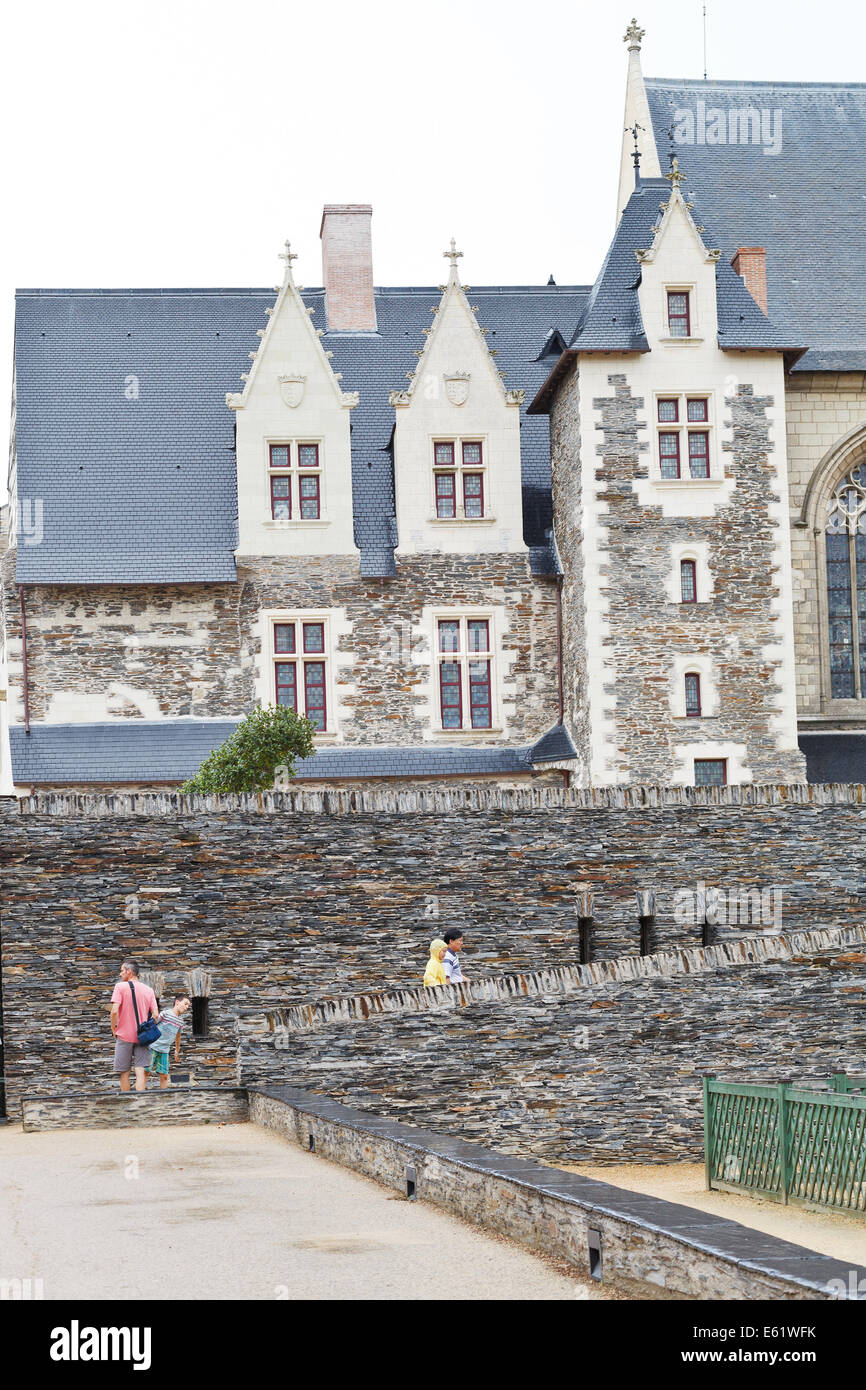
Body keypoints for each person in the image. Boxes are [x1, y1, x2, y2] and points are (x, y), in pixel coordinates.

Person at [109, 960, 158, 1093]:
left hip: (124, 1035)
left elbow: (114, 1011)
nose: (120, 974)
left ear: (129, 972)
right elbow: (156, 1015)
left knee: (124, 1072)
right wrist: (147, 1028)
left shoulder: (120, 987)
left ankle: (127, 1103)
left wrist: (114, 1028)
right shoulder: (149, 990)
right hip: (142, 1037)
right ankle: (140, 1102)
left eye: (122, 970)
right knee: (140, 1071)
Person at [148, 995, 191, 1088]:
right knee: (145, 1072)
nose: (187, 1007)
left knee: (164, 1075)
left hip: (165, 1050)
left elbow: (178, 1036)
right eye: (185, 1004)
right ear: (177, 1002)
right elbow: (152, 1025)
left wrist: (177, 1050)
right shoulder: (165, 1014)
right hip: (153, 1047)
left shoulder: (180, 1021)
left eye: (188, 1006)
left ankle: (163, 1098)